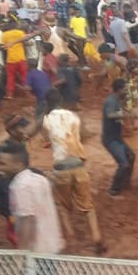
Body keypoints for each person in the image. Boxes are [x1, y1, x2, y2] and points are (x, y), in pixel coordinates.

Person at [34, 89, 105, 254]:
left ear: (47, 103)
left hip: (61, 169)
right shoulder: (74, 116)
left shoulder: (46, 119)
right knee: (88, 207)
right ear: (61, 101)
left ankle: (71, 239)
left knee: (64, 207)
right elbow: (81, 135)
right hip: (79, 165)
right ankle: (97, 238)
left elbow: (45, 139)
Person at [0, 142, 63, 254]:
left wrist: (22, 254)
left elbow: (27, 220)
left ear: (18, 165)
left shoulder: (20, 186)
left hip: (35, 252)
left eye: (3, 164)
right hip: (52, 246)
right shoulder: (40, 179)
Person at [102, 79, 136, 197]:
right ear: (119, 89)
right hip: (111, 140)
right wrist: (126, 115)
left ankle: (125, 181)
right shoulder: (111, 101)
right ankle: (114, 190)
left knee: (131, 156)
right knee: (124, 164)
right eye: (125, 89)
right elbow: (110, 115)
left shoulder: (116, 100)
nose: (127, 91)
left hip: (117, 138)